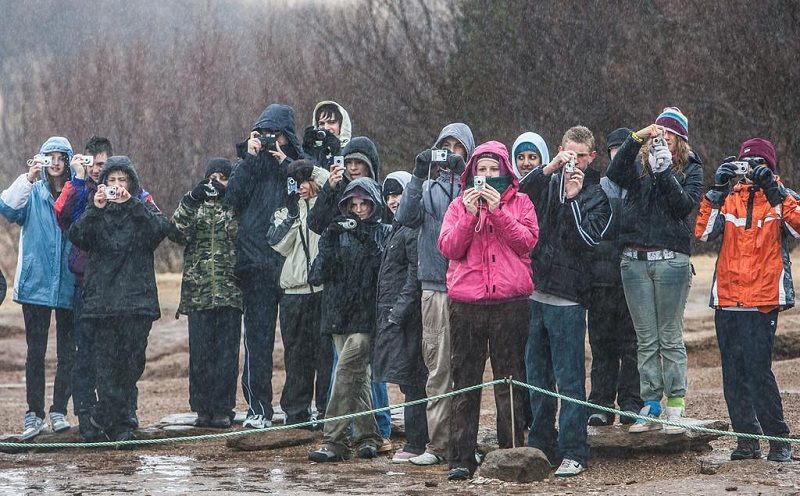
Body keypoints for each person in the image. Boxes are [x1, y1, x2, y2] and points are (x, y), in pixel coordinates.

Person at [438, 141, 538, 481]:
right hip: (466, 304)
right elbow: (449, 247)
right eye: (481, 170)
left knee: (509, 379)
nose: (487, 176)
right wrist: (469, 216)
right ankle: (461, 458)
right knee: (464, 381)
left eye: (494, 169)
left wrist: (498, 212)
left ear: (505, 171)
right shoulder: (457, 206)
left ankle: (512, 452)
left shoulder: (521, 202)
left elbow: (527, 241)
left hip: (510, 303)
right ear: (472, 173)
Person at [604, 107, 704, 434]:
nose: (665, 139)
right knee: (645, 339)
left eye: (671, 135)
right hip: (634, 260)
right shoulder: (639, 166)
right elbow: (615, 173)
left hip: (672, 259)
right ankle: (651, 403)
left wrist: (664, 174)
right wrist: (636, 139)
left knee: (669, 337)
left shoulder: (691, 168)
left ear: (681, 140)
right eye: (660, 133)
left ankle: (675, 402)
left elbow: (682, 207)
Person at [695, 138, 796, 463]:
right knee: (733, 375)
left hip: (763, 299)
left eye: (757, 166)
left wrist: (774, 191)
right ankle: (747, 440)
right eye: (745, 165)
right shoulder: (728, 198)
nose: (749, 172)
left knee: (758, 372)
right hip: (727, 299)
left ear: (769, 168)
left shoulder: (782, 197)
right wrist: (715, 190)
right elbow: (702, 234)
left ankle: (779, 440)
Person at [519, 126, 611, 476]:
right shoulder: (545, 183)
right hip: (536, 292)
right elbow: (519, 195)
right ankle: (541, 444)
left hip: (569, 300)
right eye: (568, 154)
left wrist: (573, 198)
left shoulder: (596, 195)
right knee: (537, 377)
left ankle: (575, 449)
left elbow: (588, 240)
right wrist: (549, 169)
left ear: (591, 158)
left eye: (580, 156)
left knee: (570, 380)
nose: (574, 162)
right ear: (560, 151)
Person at [68, 156, 171, 443]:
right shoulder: (96, 212)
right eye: (111, 181)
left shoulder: (141, 209)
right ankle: (118, 424)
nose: (116, 186)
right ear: (102, 185)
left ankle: (105, 414)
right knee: (106, 365)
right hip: (103, 303)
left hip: (137, 301)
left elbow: (161, 230)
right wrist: (95, 208)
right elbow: (76, 236)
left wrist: (133, 204)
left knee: (132, 363)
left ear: (131, 183)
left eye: (121, 181)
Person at [394, 122, 474, 466]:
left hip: (467, 288)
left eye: (458, 148)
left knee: (466, 370)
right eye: (446, 146)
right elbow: (404, 217)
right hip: (434, 288)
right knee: (437, 369)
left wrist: (462, 178)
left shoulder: (473, 186)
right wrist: (416, 174)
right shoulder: (425, 188)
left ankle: (463, 444)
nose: (450, 154)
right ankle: (439, 444)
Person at [227, 103, 305, 429]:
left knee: (296, 342)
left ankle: (298, 408)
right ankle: (258, 408)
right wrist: (251, 156)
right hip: (255, 264)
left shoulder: (296, 164)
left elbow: (310, 189)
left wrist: (286, 162)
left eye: (277, 135)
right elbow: (231, 198)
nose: (272, 140)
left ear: (287, 136)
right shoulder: (248, 166)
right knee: (257, 341)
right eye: (264, 134)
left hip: (290, 266)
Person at [307, 177, 392, 462]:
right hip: (337, 315)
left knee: (345, 373)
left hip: (367, 316)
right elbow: (318, 274)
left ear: (373, 203)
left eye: (364, 203)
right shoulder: (336, 232)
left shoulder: (383, 231)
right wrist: (329, 240)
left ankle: (334, 440)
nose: (358, 210)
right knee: (357, 378)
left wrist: (363, 236)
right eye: (352, 204)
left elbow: (383, 269)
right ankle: (368, 437)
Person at [0, 136, 76, 440]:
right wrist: (27, 178)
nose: (55, 162)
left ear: (69, 161)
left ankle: (59, 410)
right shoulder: (32, 192)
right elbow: (6, 207)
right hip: (36, 283)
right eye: (49, 156)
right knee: (36, 352)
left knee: (67, 351)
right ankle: (33, 413)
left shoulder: (76, 192)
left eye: (60, 156)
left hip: (70, 282)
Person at [172, 158, 242, 429]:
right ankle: (202, 408)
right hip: (198, 292)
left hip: (229, 292)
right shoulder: (194, 204)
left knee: (227, 356)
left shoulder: (235, 205)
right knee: (200, 355)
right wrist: (191, 199)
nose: (216, 182)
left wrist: (230, 197)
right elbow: (176, 231)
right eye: (212, 177)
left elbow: (242, 233)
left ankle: (224, 408)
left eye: (222, 177)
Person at [267, 160, 333, 426]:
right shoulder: (285, 212)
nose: (302, 187)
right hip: (293, 292)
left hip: (322, 289)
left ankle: (326, 409)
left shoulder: (326, 206)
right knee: (296, 356)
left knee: (325, 355)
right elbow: (278, 244)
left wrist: (312, 171)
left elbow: (332, 182)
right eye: (296, 182)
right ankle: (296, 411)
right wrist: (294, 213)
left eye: (305, 181)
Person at [585, 128, 643, 426]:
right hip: (602, 278)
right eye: (614, 149)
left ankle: (631, 402)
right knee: (601, 343)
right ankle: (600, 402)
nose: (619, 154)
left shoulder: (642, 184)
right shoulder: (599, 187)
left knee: (632, 344)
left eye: (624, 148)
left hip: (634, 277)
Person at [372, 171, 428, 463]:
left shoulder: (411, 228)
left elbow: (414, 277)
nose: (393, 201)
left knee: (414, 379)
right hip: (397, 314)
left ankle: (417, 442)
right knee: (408, 380)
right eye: (389, 195)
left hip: (410, 316)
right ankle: (418, 440)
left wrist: (398, 311)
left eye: (399, 194)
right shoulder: (397, 227)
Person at [308, 136, 381, 235]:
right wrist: (328, 188)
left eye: (359, 162)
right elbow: (314, 224)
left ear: (369, 165)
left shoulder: (381, 194)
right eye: (348, 162)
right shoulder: (338, 192)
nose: (353, 168)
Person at [302, 101, 352, 167]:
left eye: (331, 122)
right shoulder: (315, 149)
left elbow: (341, 173)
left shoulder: (350, 150)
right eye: (321, 124)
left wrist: (336, 151)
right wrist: (307, 151)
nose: (326, 128)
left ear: (341, 125)